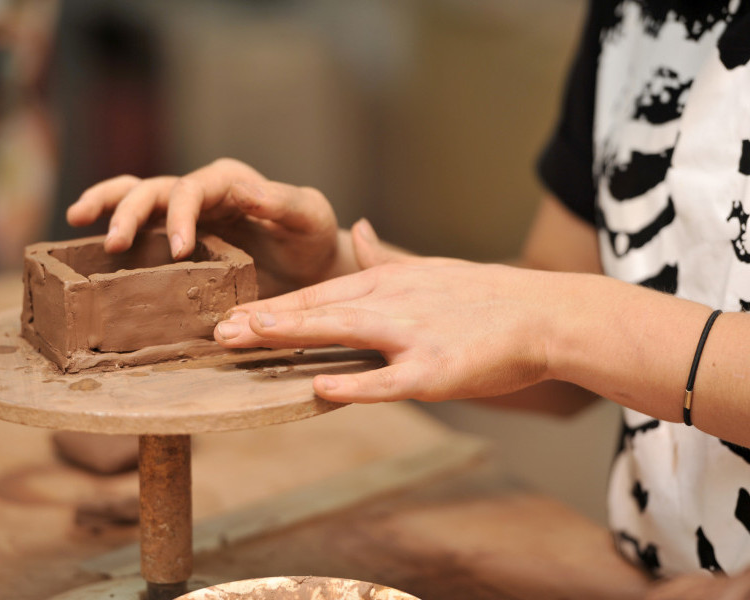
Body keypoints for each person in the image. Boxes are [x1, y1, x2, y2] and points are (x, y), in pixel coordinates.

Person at [67, 1, 750, 597]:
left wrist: (559, 315)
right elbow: (565, 336)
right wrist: (316, 273)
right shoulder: (633, 18)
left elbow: (566, 316)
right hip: (656, 570)